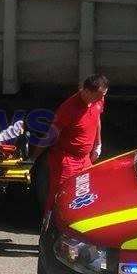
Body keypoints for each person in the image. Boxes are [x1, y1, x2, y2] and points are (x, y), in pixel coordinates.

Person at [33, 74, 108, 213]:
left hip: (85, 160)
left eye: (103, 95)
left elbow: (97, 117)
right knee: (59, 199)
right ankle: (49, 224)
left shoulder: (98, 99)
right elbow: (51, 135)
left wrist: (98, 144)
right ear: (86, 91)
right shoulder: (68, 108)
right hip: (66, 161)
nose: (101, 99)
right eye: (98, 95)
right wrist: (33, 157)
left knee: (84, 198)